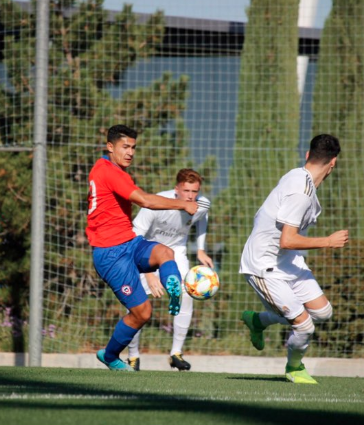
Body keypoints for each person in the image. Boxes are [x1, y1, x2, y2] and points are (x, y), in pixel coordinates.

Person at [87, 124, 198, 371]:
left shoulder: (108, 169)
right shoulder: (110, 173)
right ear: (110, 147)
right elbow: (145, 200)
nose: (130, 152)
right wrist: (182, 205)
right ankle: (111, 355)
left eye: (133, 148)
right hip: (111, 254)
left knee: (165, 253)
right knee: (142, 313)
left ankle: (174, 289)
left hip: (128, 241)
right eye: (125, 147)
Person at [239, 134, 348, 384]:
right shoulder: (301, 191)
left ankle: (258, 320)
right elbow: (287, 240)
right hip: (264, 265)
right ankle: (294, 368)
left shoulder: (298, 176)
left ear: (308, 155)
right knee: (305, 326)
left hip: (287, 260)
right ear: (333, 163)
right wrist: (328, 241)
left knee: (322, 312)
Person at [126, 168, 212, 371]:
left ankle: (176, 353)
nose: (190, 196)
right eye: (186, 191)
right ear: (176, 190)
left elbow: (203, 218)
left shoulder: (201, 204)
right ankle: (132, 356)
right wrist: (147, 272)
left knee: (186, 293)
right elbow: (135, 239)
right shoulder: (155, 204)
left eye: (194, 191)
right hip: (147, 250)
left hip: (176, 252)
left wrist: (200, 250)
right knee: (137, 305)